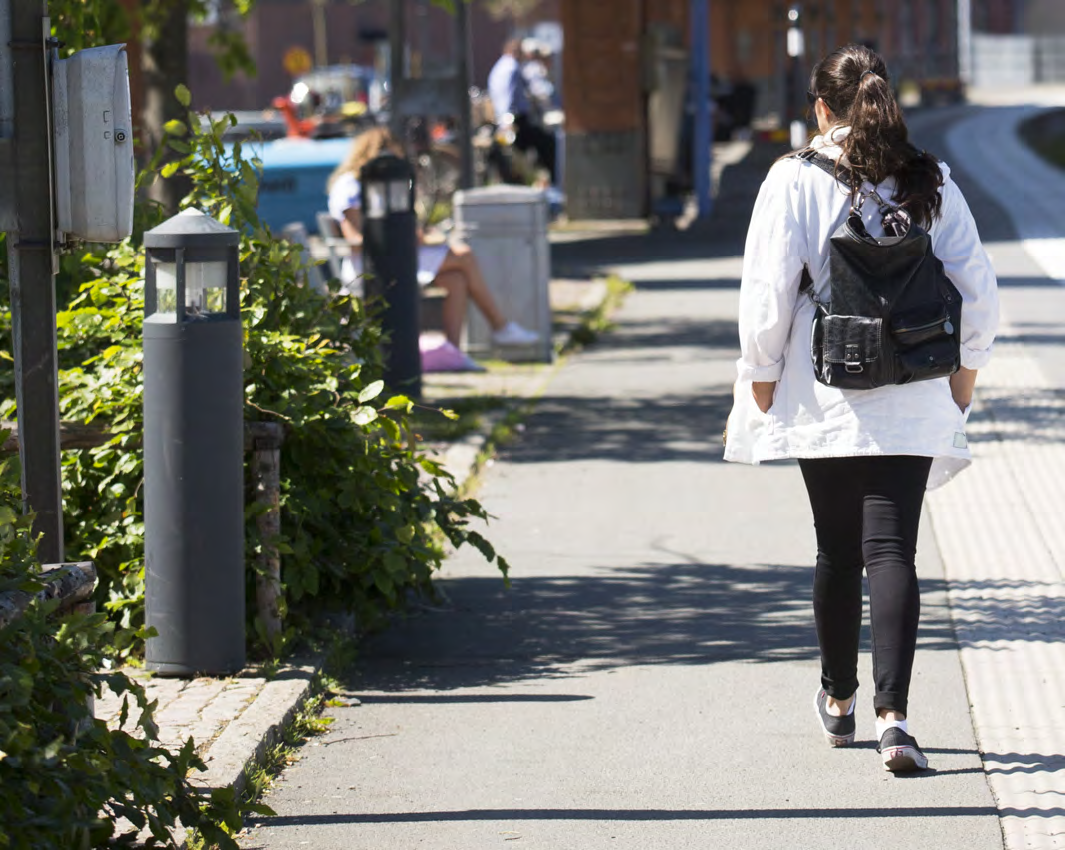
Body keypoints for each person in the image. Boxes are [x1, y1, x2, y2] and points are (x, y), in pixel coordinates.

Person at [723, 44, 999, 772]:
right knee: (892, 550)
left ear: (820, 108)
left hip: (823, 388)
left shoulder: (791, 179)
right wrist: (964, 373)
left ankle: (838, 702)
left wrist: (758, 373)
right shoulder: (926, 178)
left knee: (836, 549)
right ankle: (894, 721)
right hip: (913, 383)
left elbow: (767, 288)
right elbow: (978, 284)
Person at [326, 126, 539, 370]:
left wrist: (411, 234)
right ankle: (500, 327)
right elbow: (355, 237)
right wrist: (402, 237)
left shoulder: (372, 181)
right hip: (373, 262)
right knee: (464, 255)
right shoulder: (351, 184)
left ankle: (453, 354)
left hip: (393, 253)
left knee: (457, 278)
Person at [488, 38, 557, 185]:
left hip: (506, 120)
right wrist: (506, 124)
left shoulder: (499, 66)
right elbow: (507, 97)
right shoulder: (512, 68)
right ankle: (554, 183)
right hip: (515, 122)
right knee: (549, 145)